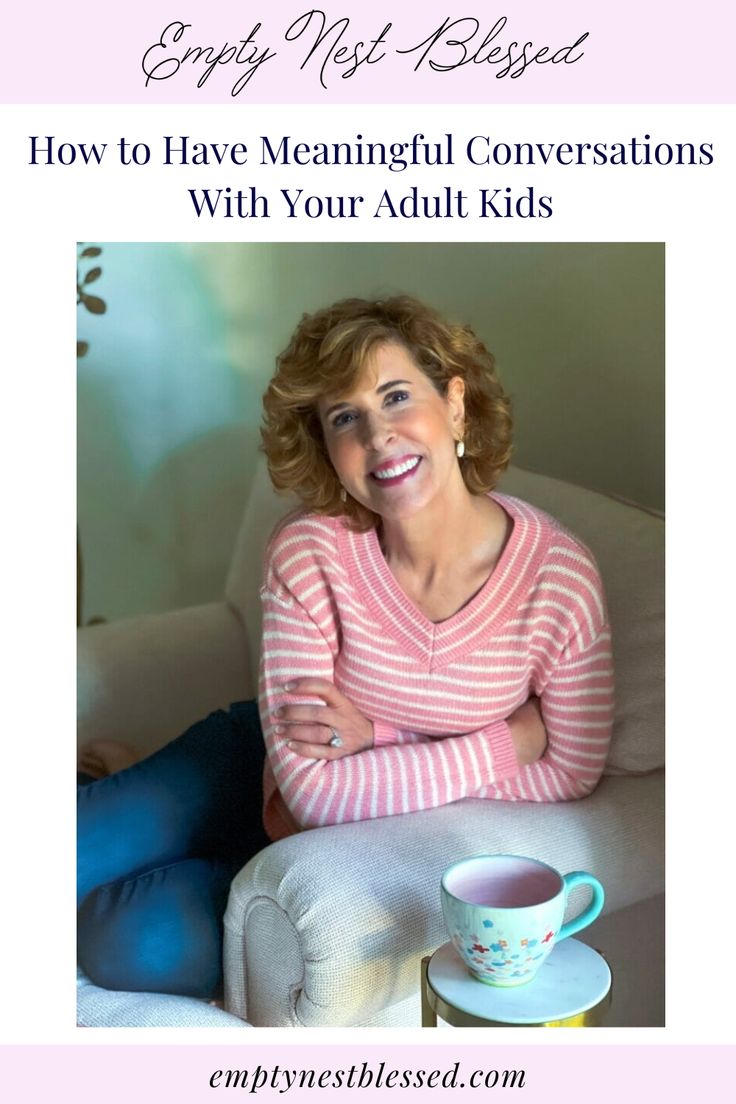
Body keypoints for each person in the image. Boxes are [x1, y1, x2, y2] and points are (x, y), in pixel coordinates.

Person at [77, 295, 613, 1000]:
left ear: (455, 405)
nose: (379, 435)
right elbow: (309, 790)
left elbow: (571, 773)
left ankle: (106, 775)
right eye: (345, 418)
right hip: (251, 767)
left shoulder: (559, 579)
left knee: (123, 940)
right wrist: (507, 742)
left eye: (396, 396)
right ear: (327, 447)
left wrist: (379, 737)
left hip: (348, 854)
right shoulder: (311, 549)